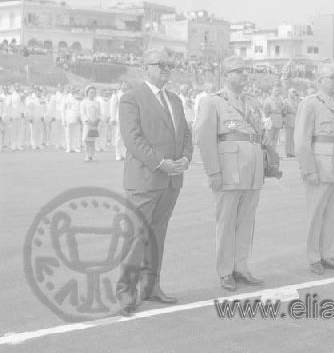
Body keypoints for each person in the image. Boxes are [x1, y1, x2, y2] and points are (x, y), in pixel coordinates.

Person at [116, 48, 193, 316]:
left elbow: (185, 134)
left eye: (170, 66)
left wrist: (185, 158)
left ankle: (151, 286)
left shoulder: (175, 100)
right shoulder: (131, 98)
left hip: (171, 181)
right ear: (145, 67)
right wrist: (161, 163)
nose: (166, 70)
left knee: (158, 236)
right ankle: (126, 290)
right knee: (137, 237)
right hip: (145, 179)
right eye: (161, 65)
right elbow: (133, 139)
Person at [194, 55, 264, 291]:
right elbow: (204, 138)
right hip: (228, 170)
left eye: (246, 71)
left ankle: (241, 267)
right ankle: (225, 271)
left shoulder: (253, 102)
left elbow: (259, 136)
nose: (244, 75)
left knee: (246, 222)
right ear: (225, 75)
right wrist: (213, 171)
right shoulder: (213, 102)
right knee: (226, 223)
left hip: (253, 171)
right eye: (238, 71)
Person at [294, 62, 334, 275]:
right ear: (319, 80)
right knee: (316, 213)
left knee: (332, 215)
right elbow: (302, 139)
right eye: (332, 78)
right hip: (320, 165)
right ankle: (314, 257)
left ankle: (328, 255)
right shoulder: (310, 103)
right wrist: (308, 168)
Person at [80, 85, 101, 162]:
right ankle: (87, 155)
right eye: (91, 92)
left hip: (95, 124)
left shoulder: (97, 102)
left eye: (94, 92)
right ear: (87, 93)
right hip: (87, 124)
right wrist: (87, 121)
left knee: (92, 140)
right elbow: (82, 113)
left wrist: (97, 121)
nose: (92, 94)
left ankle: (92, 155)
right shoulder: (84, 102)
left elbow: (99, 113)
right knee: (86, 140)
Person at [283, 88, 300, 157]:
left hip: (295, 120)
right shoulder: (286, 101)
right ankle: (288, 152)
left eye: (294, 92)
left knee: (294, 138)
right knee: (288, 137)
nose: (294, 93)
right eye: (292, 92)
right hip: (289, 120)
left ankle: (293, 152)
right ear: (289, 93)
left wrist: (297, 99)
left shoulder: (296, 101)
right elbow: (284, 112)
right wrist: (284, 120)